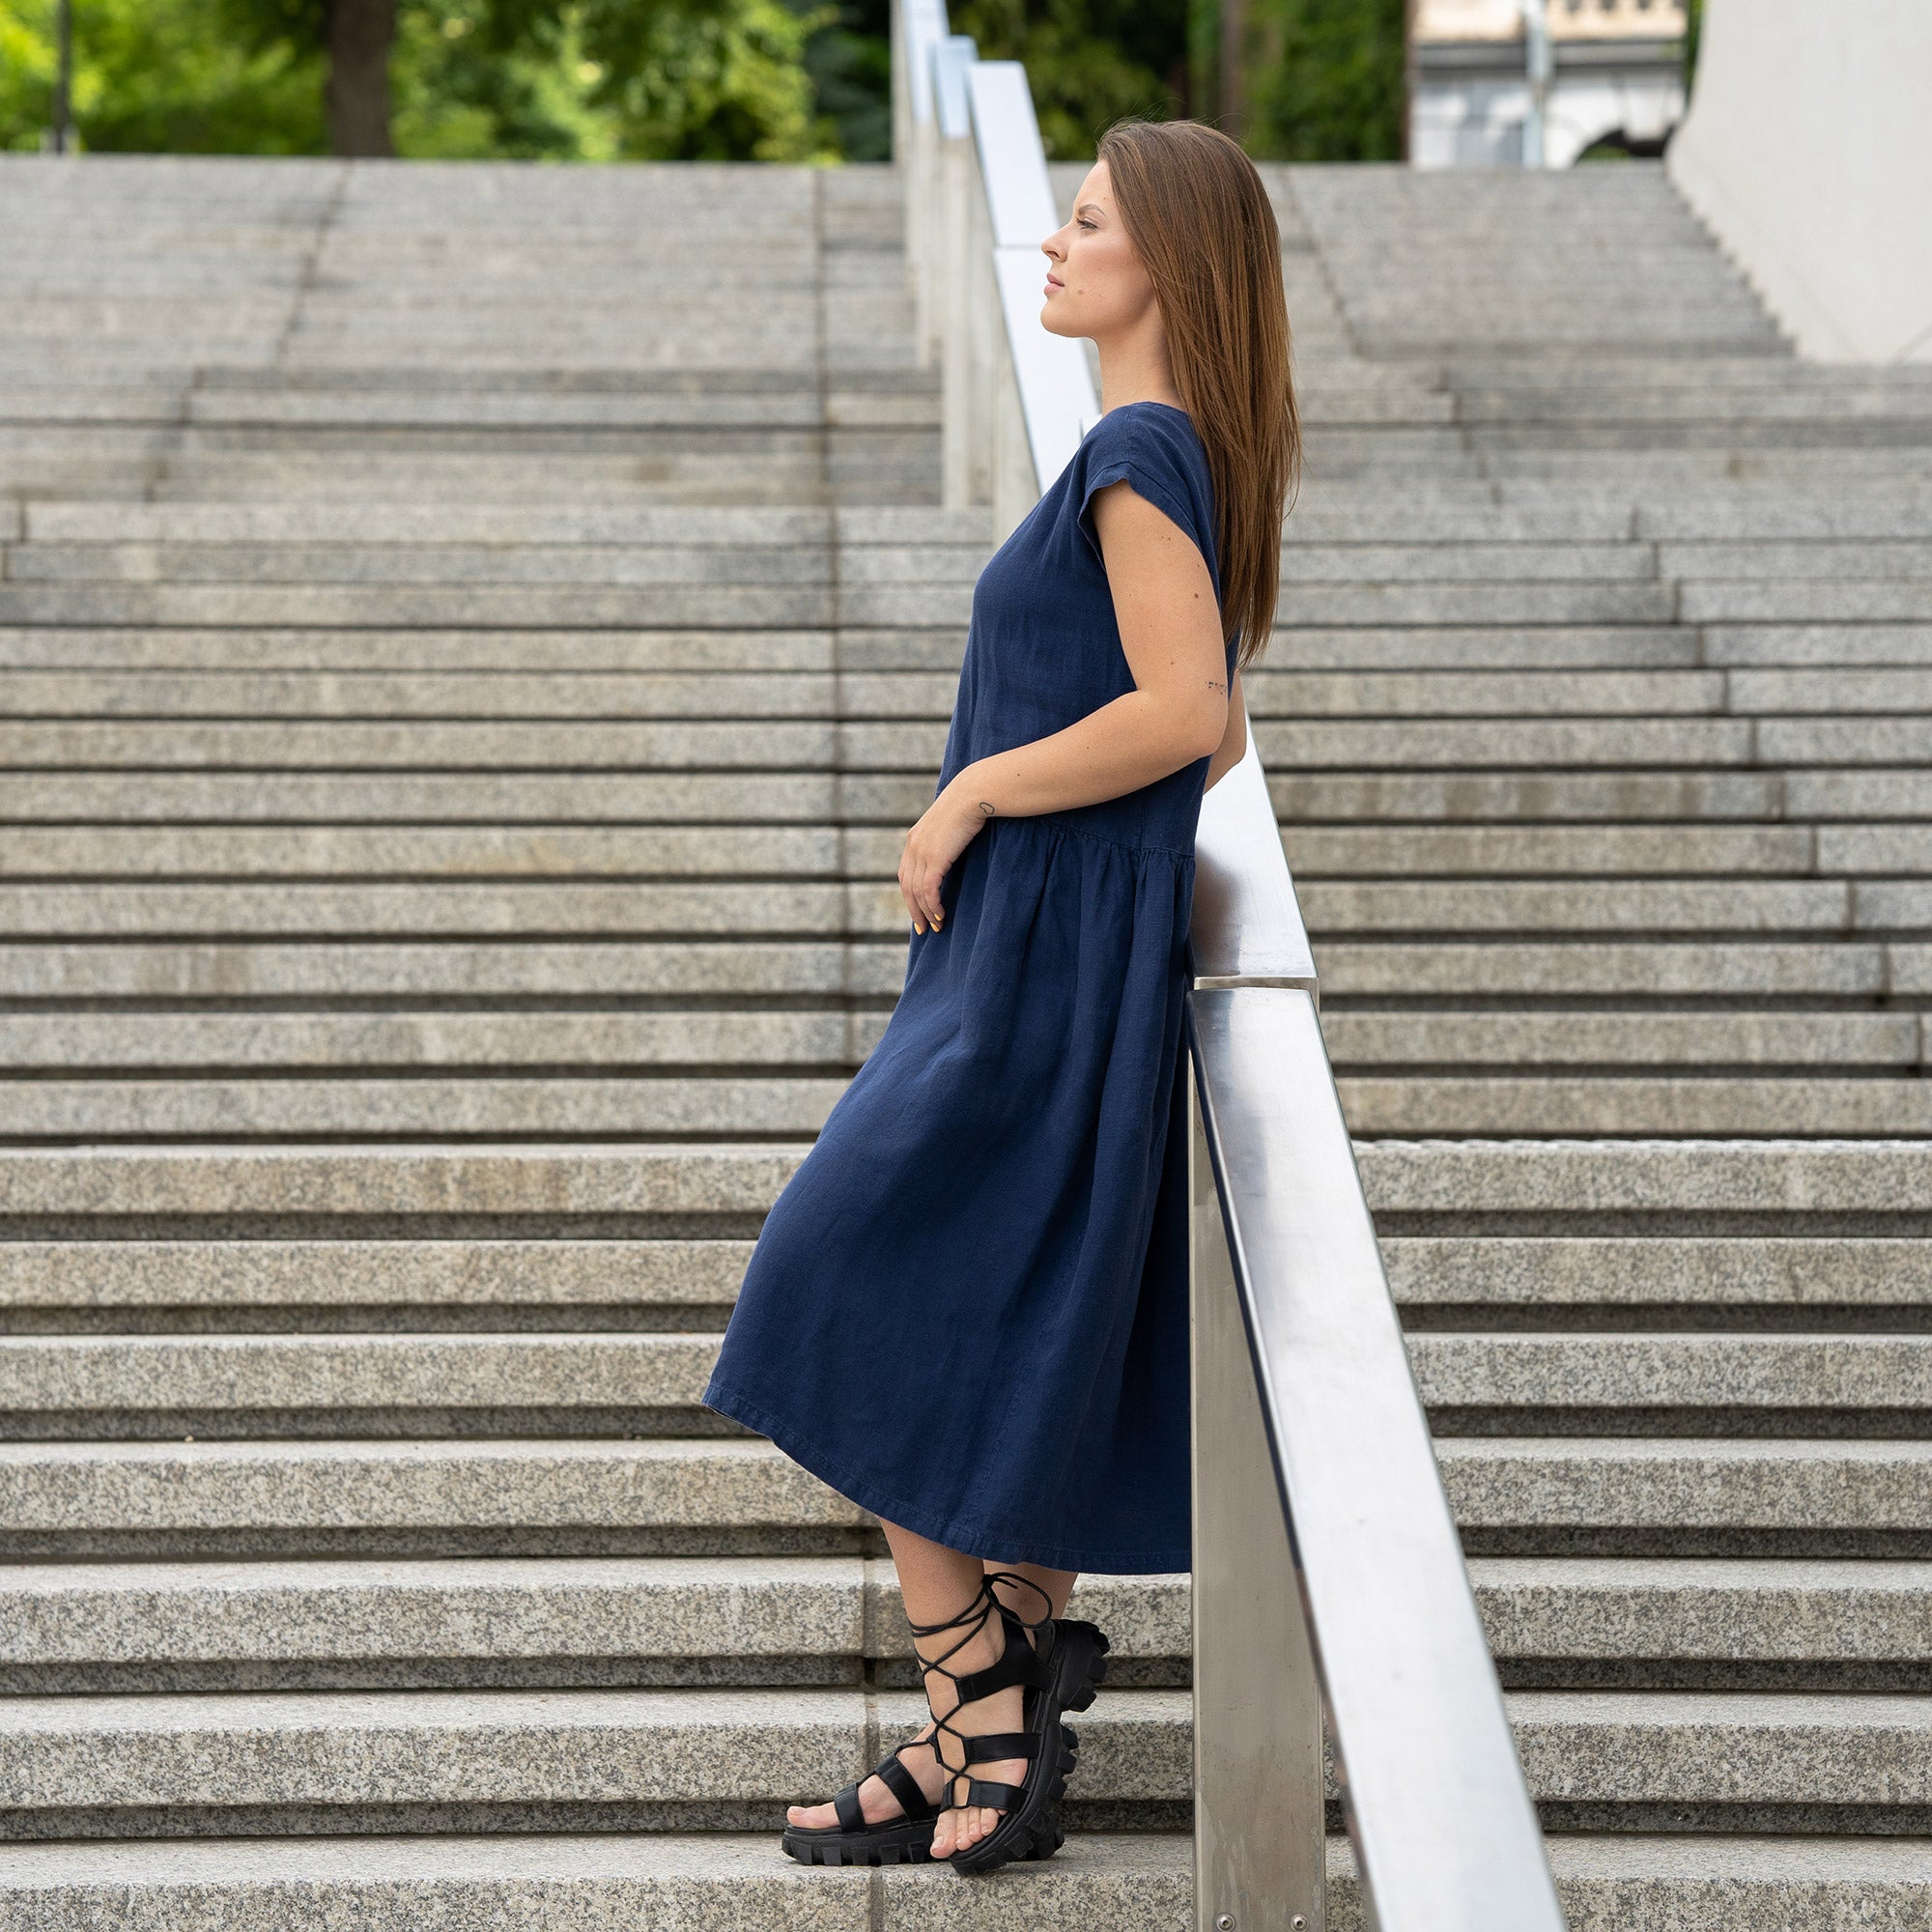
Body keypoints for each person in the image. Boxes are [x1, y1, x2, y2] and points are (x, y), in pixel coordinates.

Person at [701, 116, 1301, 1875]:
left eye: (1088, 221)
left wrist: (973, 790)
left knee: (836, 1268)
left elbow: (1195, 713)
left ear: (1165, 267)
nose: (1052, 243)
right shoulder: (1161, 457)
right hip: (1044, 948)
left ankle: (982, 1695)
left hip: (1036, 964)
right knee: (1012, 1326)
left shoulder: (1134, 451)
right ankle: (989, 1708)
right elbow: (1217, 710)